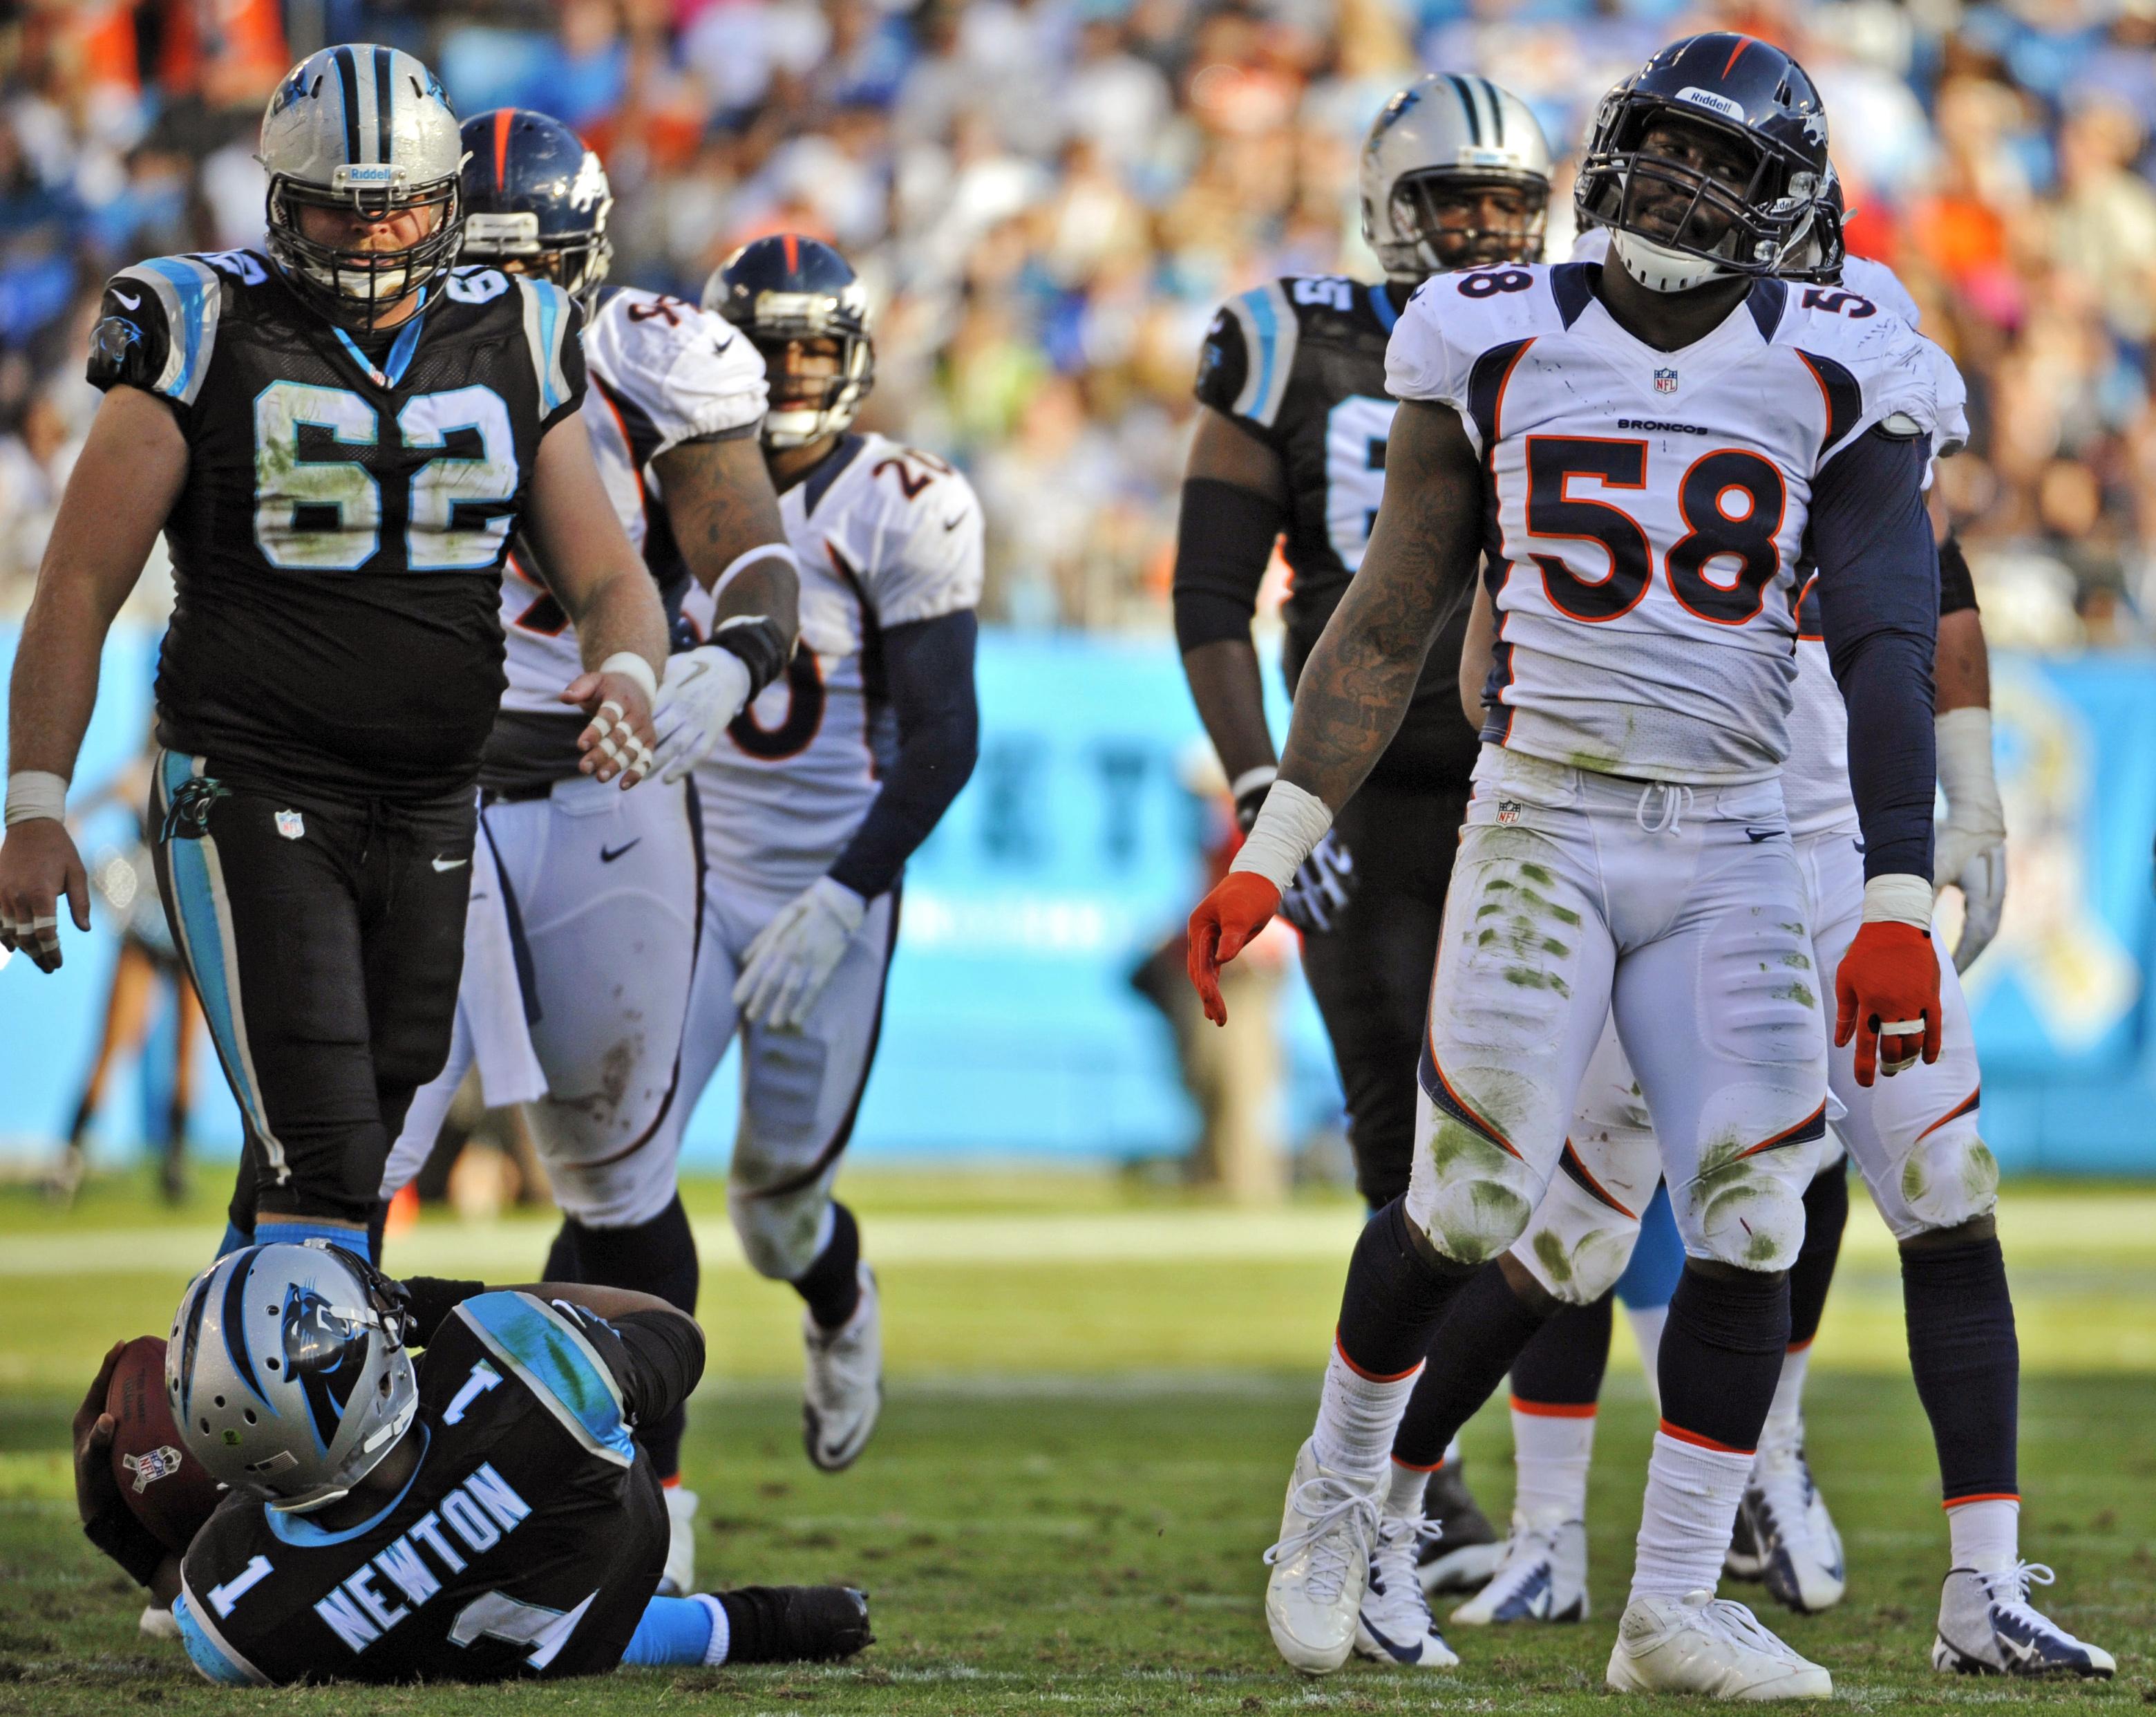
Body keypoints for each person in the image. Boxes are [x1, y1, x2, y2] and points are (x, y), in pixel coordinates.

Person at [1191, 32, 1957, 1696]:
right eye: (1663, 148)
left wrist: (1895, 887)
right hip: (1537, 812)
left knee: (1754, 1211)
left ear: (1784, 205)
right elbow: (1385, 607)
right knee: (1465, 1198)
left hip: (1738, 831)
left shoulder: (1845, 353)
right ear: (1609, 153)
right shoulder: (1490, 331)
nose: (1682, 184)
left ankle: (1670, 1599)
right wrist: (1274, 842)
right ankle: (1333, 1492)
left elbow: (1890, 635)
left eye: (1724, 165)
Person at [1420, 218, 2107, 1680]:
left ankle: (1977, 1583)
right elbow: (1501, 594)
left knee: (1940, 1184)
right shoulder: (1600, 347)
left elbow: (1937, 582)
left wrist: (1961, 805)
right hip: (1685, 843)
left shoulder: (1854, 344)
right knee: (1568, 1230)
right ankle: (1391, 1501)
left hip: (1840, 848)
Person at [0, 46, 672, 1264]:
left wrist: (625, 667)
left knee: (376, 1123)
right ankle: (316, 1442)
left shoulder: (518, 328)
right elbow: (80, 583)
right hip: (251, 783)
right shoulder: (198, 321)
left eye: (403, 205)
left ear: (450, 199)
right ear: (280, 198)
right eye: (339, 207)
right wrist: (36, 795)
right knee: (329, 1150)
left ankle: (223, 1430)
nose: (375, 235)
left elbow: (609, 575)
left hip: (428, 797)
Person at [375, 108, 800, 1598]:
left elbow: (744, 537)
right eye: (474, 264)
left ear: (590, 263)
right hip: (402, 787)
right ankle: (329, 1489)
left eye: (536, 269)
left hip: (600, 792)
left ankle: (634, 1513)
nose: (505, 298)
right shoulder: (339, 348)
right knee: (353, 1151)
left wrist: (734, 658)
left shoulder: (654, 362)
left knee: (621, 1173)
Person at [1171, 73, 1559, 1655]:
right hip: (1362, 790)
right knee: (1412, 1155)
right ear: (1381, 207)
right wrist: (1270, 789)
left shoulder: (1582, 328)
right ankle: (1409, 1490)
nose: (1474, 227)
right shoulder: (1285, 336)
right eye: (1444, 199)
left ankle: (1548, 1496)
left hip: (1537, 781)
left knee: (1568, 1163)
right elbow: (1209, 590)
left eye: (1498, 201)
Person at [661, 233, 981, 1475]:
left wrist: (849, 891)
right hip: (676, 876)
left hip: (827, 884)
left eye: (814, 345)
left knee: (773, 1209)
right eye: (766, 346)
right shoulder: (657, 474)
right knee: (622, 1176)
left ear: (852, 355)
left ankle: (841, 1301)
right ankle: (649, 1483)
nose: (793, 372)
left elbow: (945, 732)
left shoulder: (905, 499)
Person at [73, 1244, 871, 1682]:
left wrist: (133, 1543)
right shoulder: (527, 1387)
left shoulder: (231, 1619)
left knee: (513, 1625)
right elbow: (673, 1332)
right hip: (607, 1568)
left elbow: (203, 1597)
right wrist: (438, 1301)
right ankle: (742, 1622)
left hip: (527, 1646)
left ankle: (732, 1625)